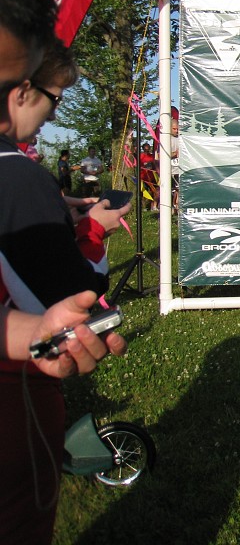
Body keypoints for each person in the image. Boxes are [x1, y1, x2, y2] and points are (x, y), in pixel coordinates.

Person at [1, 38, 131, 543]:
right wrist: (92, 231)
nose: (51, 117)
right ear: (23, 91)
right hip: (19, 398)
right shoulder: (19, 177)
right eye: (55, 99)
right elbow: (73, 301)